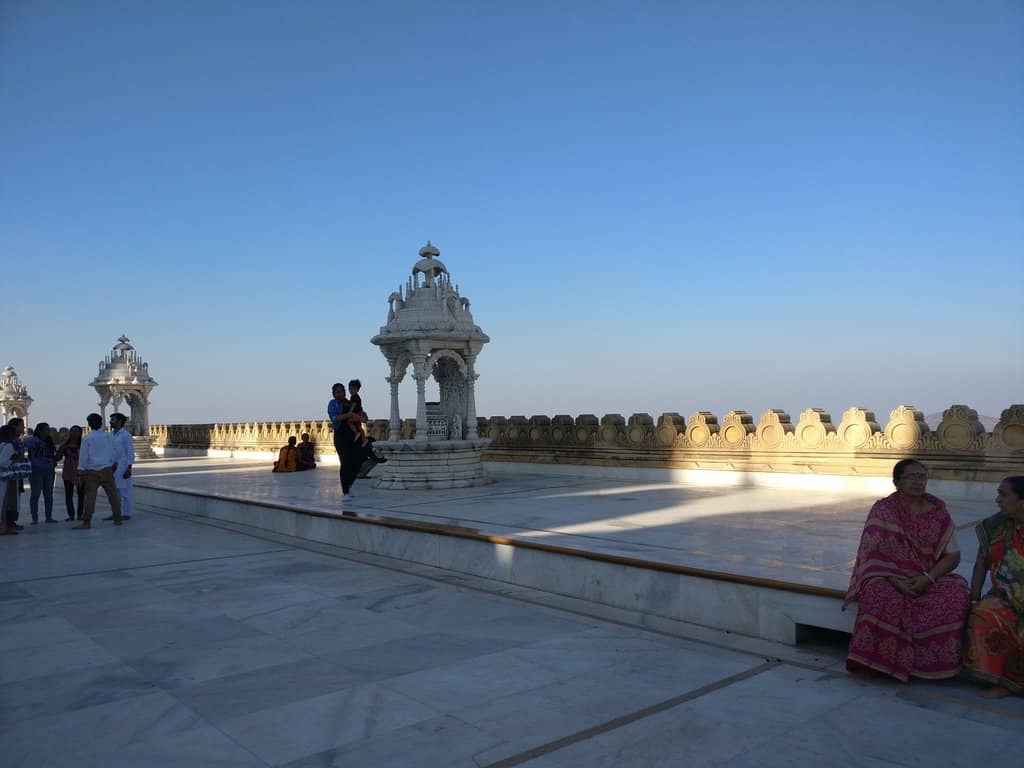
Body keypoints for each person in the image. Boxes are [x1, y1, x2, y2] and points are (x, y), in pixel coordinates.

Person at [844, 458, 969, 682]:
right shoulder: (884, 510)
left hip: (928, 576)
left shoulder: (938, 512)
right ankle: (882, 662)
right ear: (897, 482)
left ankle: (924, 663)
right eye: (911, 477)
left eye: (922, 477)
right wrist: (895, 580)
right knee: (877, 593)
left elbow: (953, 555)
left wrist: (927, 578)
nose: (918, 482)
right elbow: (871, 553)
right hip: (889, 577)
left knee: (956, 594)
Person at [964, 475, 1024, 698]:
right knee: (983, 614)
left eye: (1003, 494)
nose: (997, 500)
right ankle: (1004, 683)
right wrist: (974, 598)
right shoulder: (995, 526)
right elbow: (981, 563)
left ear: (1022, 501)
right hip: (1005, 595)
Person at [74, 413, 123, 529]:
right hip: (107, 469)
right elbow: (116, 451)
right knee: (113, 496)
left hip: (92, 471)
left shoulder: (87, 438)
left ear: (89, 424)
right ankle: (118, 518)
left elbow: (84, 456)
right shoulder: (109, 436)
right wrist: (115, 462)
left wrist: (81, 469)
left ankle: (87, 522)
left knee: (90, 497)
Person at [327, 382, 369, 503]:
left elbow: (363, 415)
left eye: (342, 391)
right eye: (338, 392)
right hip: (341, 436)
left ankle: (349, 485)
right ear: (334, 394)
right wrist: (349, 415)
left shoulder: (351, 402)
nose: (340, 393)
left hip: (354, 436)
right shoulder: (333, 404)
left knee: (357, 461)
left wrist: (360, 417)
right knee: (345, 462)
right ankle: (346, 491)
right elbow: (335, 418)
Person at [25, 421, 58, 523]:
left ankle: (49, 517)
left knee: (48, 494)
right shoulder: (32, 441)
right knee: (35, 495)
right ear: (40, 430)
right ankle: (34, 518)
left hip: (49, 471)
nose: (48, 431)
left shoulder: (49, 441)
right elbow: (25, 448)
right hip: (36, 471)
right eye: (46, 429)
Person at [106, 413, 134, 520]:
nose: (110, 422)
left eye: (113, 420)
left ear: (119, 422)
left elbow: (130, 452)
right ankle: (116, 513)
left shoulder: (125, 435)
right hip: (112, 467)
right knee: (114, 492)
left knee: (124, 491)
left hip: (123, 467)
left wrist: (129, 468)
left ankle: (126, 513)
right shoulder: (110, 435)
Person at [55, 425, 85, 521]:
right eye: (72, 431)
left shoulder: (84, 445)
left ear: (80, 433)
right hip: (68, 471)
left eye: (76, 431)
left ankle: (80, 514)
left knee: (81, 494)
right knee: (69, 494)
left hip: (80, 472)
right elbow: (58, 457)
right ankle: (71, 515)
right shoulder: (65, 446)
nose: (73, 433)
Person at [3, 417, 26, 531]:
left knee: (15, 498)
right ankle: (6, 523)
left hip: (16, 473)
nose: (24, 427)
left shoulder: (17, 440)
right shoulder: (9, 443)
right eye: (21, 425)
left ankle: (11, 521)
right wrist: (17, 459)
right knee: (9, 498)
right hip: (9, 474)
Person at [0, 424, 22, 535]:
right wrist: (14, 460)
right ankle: (2, 528)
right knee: (3, 504)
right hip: (3, 478)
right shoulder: (8, 446)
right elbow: (3, 462)